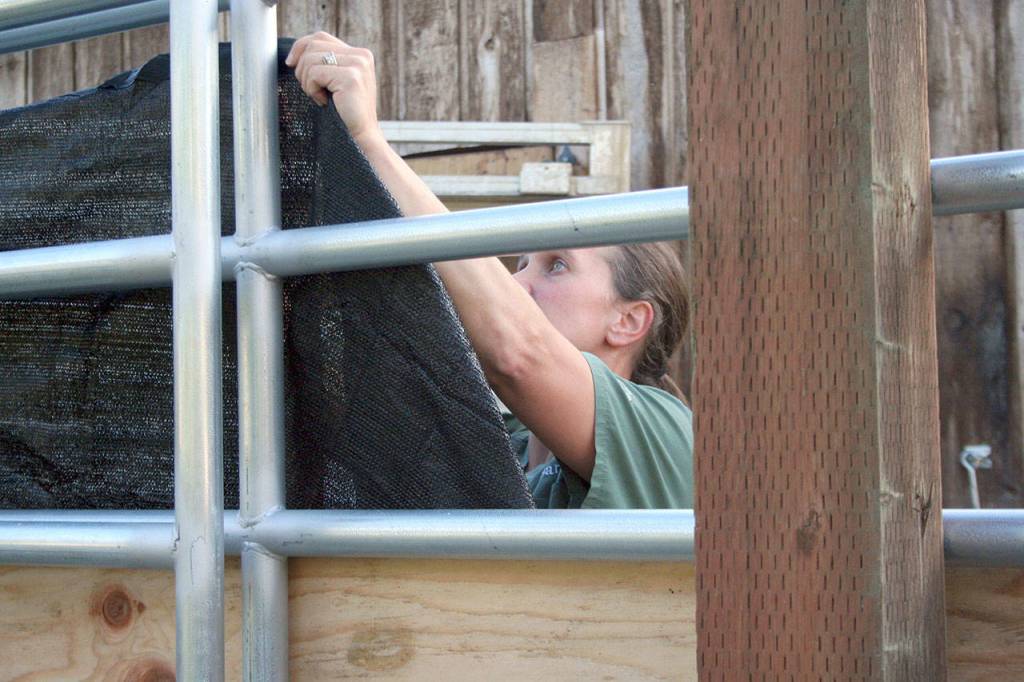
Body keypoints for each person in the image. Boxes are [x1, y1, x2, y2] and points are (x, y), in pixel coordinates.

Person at [285, 33, 693, 509]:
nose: (518, 284)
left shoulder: (665, 432)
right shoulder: (504, 444)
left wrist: (368, 143)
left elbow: (518, 353)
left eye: (557, 266)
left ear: (629, 320)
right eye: (520, 266)